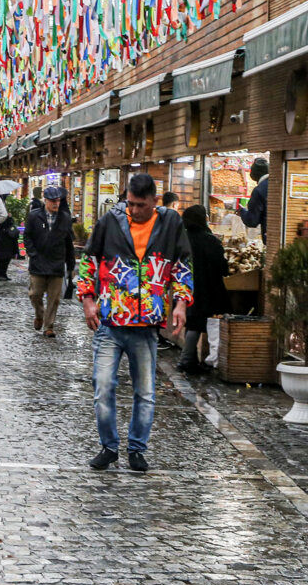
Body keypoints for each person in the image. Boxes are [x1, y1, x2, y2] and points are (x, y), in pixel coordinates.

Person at [78, 173, 192, 473]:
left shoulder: (170, 224)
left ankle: (137, 449)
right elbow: (89, 260)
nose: (134, 210)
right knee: (103, 387)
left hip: (146, 326)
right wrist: (88, 300)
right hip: (110, 323)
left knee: (146, 393)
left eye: (140, 205)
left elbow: (182, 265)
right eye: (130, 203)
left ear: (155, 200)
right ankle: (109, 447)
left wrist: (180, 303)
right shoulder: (110, 221)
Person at [179, 205, 229, 374]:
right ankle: (187, 360)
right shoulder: (210, 240)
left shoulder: (182, 238)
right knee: (198, 323)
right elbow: (223, 267)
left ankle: (190, 359)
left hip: (187, 286)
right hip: (208, 287)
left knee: (192, 321)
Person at [22, 186, 75, 338]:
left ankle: (49, 326)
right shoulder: (34, 216)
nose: (55, 204)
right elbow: (27, 236)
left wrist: (70, 264)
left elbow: (68, 241)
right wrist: (32, 253)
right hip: (38, 262)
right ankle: (40, 314)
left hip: (57, 262)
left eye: (58, 201)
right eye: (52, 201)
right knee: (35, 294)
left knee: (54, 298)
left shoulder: (64, 217)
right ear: (45, 200)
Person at [237, 157, 269, 241]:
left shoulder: (259, 190)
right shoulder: (280, 182)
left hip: (270, 237)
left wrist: (242, 211)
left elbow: (252, 220)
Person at [0, 195, 20, 282]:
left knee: (6, 256)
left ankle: (3, 274)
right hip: (3, 236)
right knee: (2, 256)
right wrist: (7, 217)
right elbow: (1, 221)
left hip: (7, 236)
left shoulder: (3, 207)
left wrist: (9, 217)